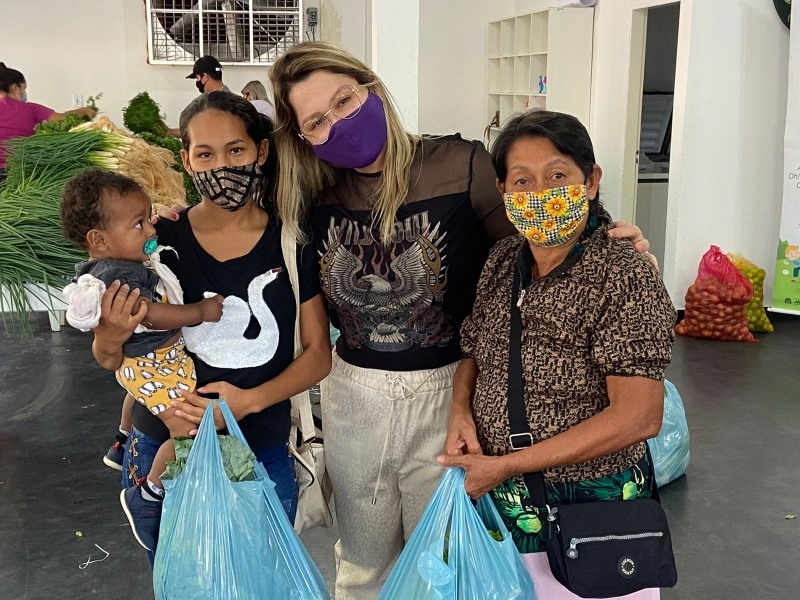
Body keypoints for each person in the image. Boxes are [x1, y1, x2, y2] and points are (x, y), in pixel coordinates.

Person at [268, 41, 656, 599]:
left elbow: (542, 234)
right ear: (303, 137)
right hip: (355, 396)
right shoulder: (310, 194)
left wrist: (614, 236)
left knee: (442, 562)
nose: (338, 123)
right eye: (317, 121)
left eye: (344, 100)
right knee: (361, 562)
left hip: (445, 389)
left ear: (371, 89)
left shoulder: (461, 165)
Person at [438, 109, 676, 599]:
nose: (540, 192)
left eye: (557, 175)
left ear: (591, 181)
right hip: (508, 505)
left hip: (592, 511)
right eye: (522, 181)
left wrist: (510, 463)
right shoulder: (504, 260)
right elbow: (474, 350)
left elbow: (639, 417)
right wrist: (460, 411)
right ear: (503, 191)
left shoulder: (622, 273)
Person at [90, 91, 332, 565]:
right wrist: (109, 337)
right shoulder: (157, 241)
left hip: (258, 447)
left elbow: (318, 352)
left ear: (261, 151)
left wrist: (248, 402)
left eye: (236, 150)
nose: (221, 166)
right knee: (182, 578)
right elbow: (109, 357)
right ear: (186, 160)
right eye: (205, 154)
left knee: (259, 579)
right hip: (163, 445)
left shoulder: (291, 242)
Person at [59, 168, 225, 552]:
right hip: (152, 362)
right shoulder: (118, 276)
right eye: (139, 224)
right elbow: (150, 315)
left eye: (148, 218)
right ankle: (148, 494)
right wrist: (199, 312)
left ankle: (121, 442)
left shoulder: (108, 265)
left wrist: (162, 219)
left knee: (136, 391)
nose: (150, 230)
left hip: (140, 366)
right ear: (99, 240)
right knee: (188, 429)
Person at [0, 62, 96, 182]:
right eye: (23, 89)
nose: (24, 93)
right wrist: (85, 111)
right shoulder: (31, 109)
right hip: (17, 171)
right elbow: (62, 119)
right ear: (15, 88)